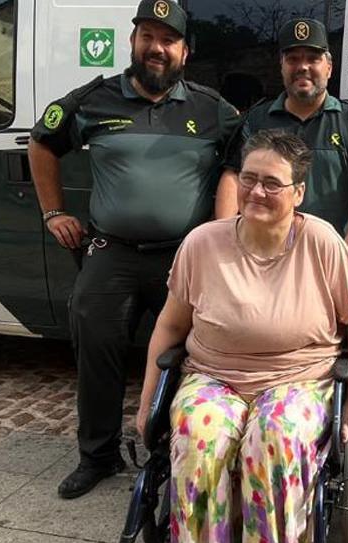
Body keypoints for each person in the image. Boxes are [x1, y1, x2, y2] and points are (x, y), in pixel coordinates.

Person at [133, 130, 348, 543]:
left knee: (275, 439)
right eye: (249, 179)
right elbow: (169, 327)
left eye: (272, 183)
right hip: (214, 375)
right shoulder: (203, 243)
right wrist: (148, 402)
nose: (258, 191)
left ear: (298, 193)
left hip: (299, 378)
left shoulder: (322, 244)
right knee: (197, 433)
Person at [28, 0, 241, 499]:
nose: (156, 48)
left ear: (185, 51)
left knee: (190, 358)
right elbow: (41, 143)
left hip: (183, 257)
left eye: (168, 40)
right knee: (96, 348)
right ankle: (97, 456)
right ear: (133, 41)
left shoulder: (214, 110)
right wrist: (53, 212)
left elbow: (241, 164)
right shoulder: (93, 100)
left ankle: (175, 453)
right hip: (113, 255)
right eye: (147, 35)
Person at [220, 18, 348, 248]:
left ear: (329, 67)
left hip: (326, 258)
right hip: (261, 257)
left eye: (312, 58)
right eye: (293, 59)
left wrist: (346, 257)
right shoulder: (256, 119)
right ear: (282, 66)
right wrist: (226, 244)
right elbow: (233, 178)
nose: (302, 67)